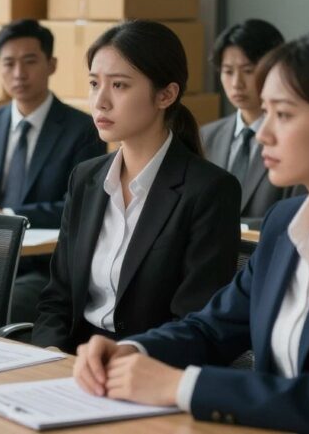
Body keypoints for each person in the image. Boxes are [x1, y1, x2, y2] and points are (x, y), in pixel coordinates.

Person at [71, 29, 309, 433]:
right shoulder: (284, 224)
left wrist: (180, 385)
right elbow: (211, 327)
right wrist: (130, 351)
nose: (262, 132)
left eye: (284, 114)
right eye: (266, 112)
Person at [31, 20, 241, 352]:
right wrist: (50, 353)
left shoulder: (209, 190)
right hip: (72, 360)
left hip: (146, 365)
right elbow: (58, 297)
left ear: (166, 95)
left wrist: (127, 360)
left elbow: (196, 319)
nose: (100, 101)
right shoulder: (86, 178)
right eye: (93, 83)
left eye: (119, 86)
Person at [0, 19, 104, 323]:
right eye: (8, 63)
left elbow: (78, 207)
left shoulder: (83, 130)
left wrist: (8, 213)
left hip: (43, 268)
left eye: (29, 61)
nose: (18, 73)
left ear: (51, 64)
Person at [201, 19, 297, 228]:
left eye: (248, 70)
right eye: (228, 71)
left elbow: (296, 217)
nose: (237, 83)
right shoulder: (205, 136)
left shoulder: (294, 139)